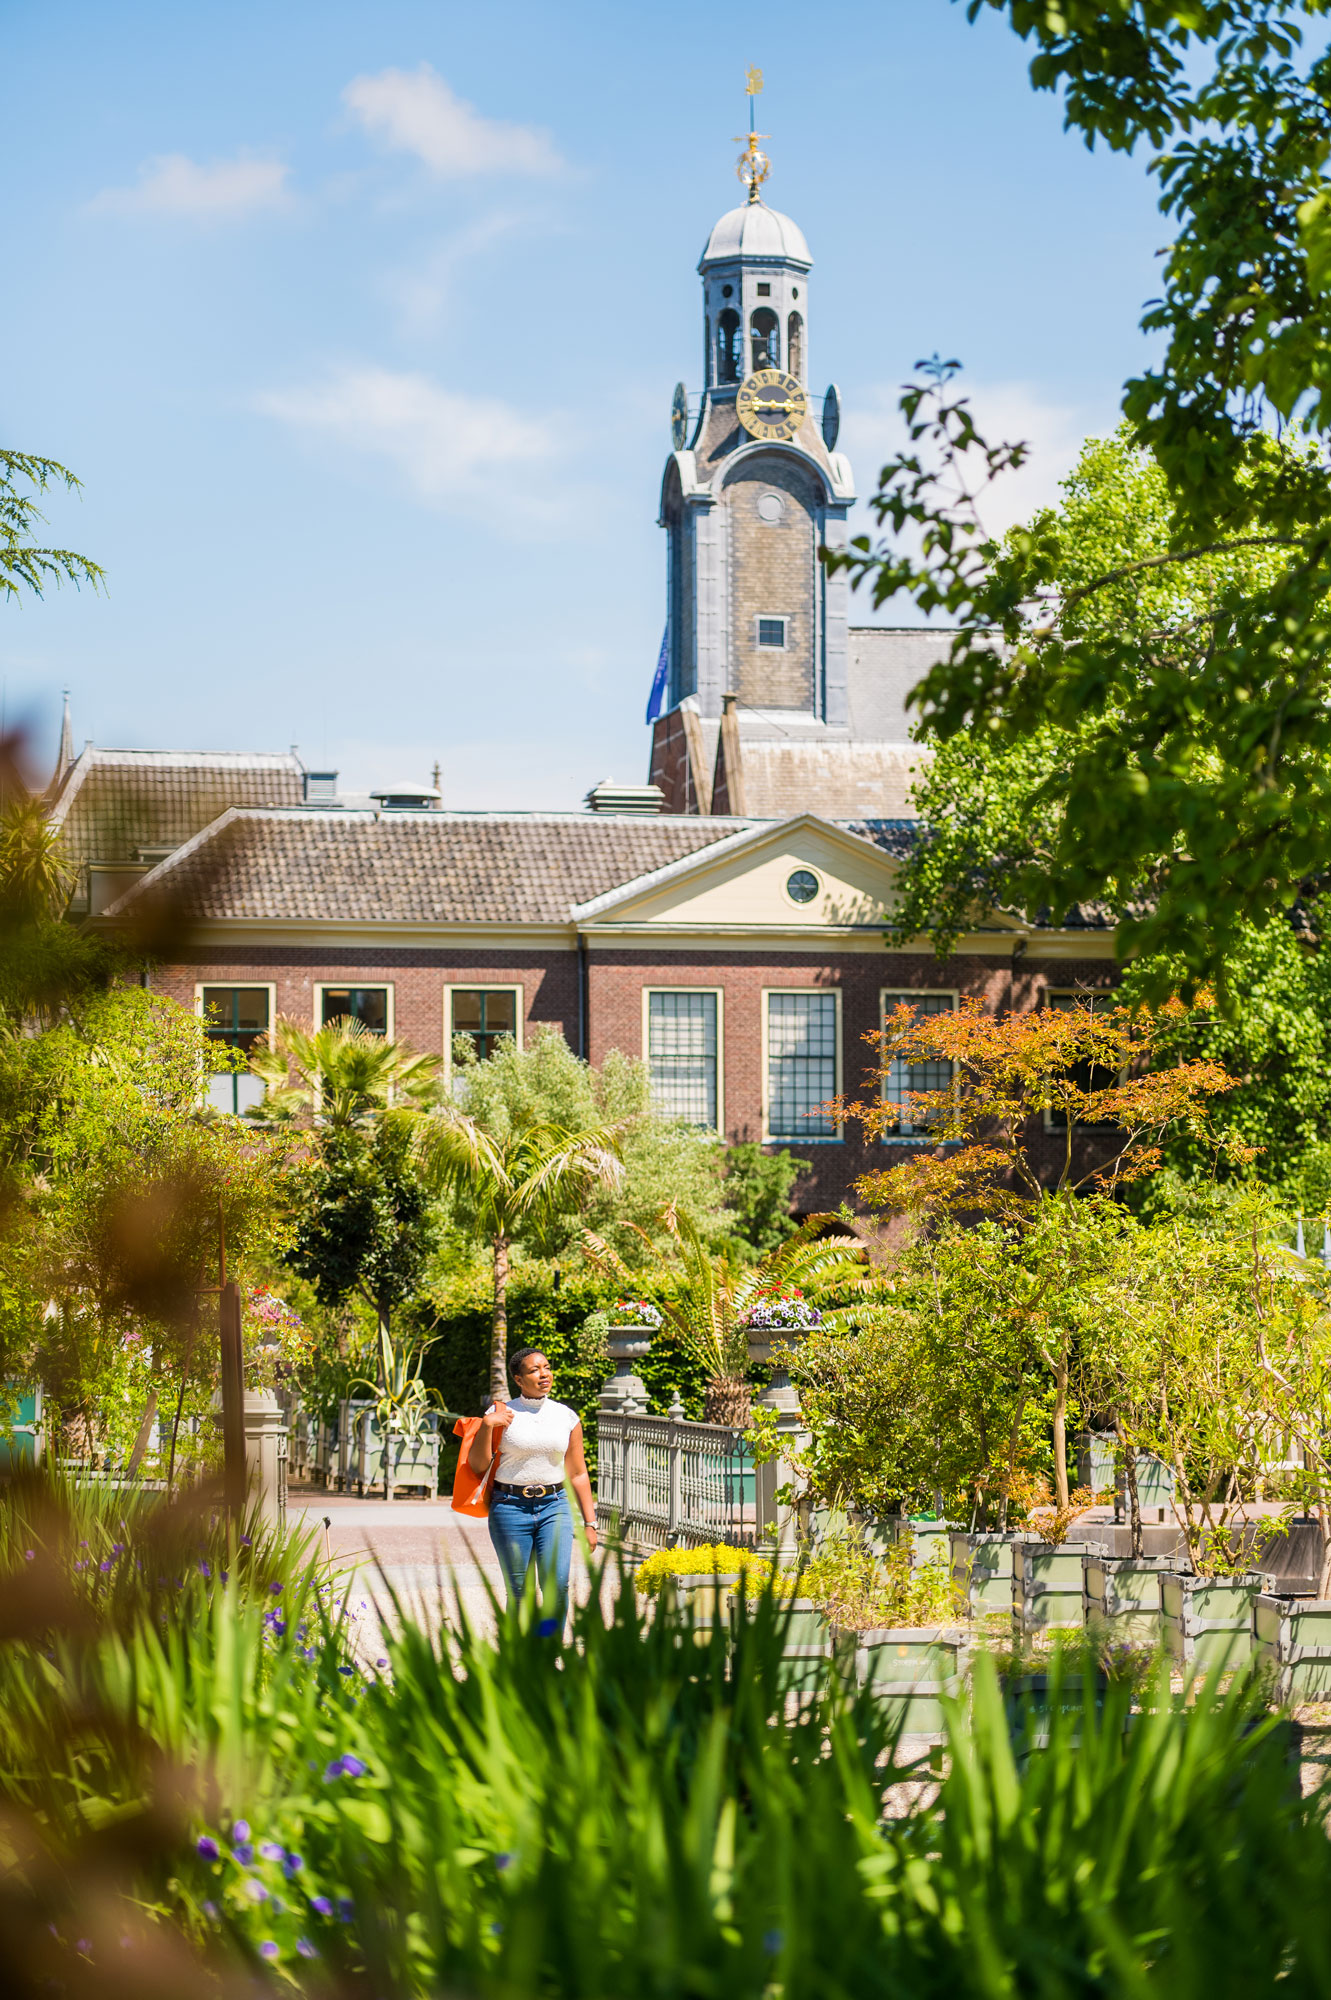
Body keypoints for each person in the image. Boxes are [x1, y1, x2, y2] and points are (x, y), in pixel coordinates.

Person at [468, 1346, 597, 1622]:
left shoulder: (567, 1417)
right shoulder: (500, 1413)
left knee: (557, 1587)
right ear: (518, 1379)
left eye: (547, 1367)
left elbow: (577, 1473)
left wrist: (590, 1522)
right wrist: (487, 1425)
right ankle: (522, 1659)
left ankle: (548, 1656)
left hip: (555, 1506)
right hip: (509, 1507)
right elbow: (478, 1465)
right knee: (519, 1592)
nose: (544, 1374)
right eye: (534, 1370)